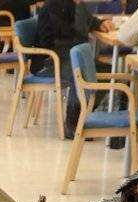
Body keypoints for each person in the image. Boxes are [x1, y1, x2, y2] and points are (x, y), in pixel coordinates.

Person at [35, 0, 101, 137]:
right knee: (78, 70)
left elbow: (89, 21)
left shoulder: (74, 4)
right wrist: (80, 9)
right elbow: (76, 33)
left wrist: (101, 23)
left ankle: (85, 114)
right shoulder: (53, 6)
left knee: (104, 69)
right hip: (49, 61)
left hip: (66, 55)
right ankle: (72, 122)